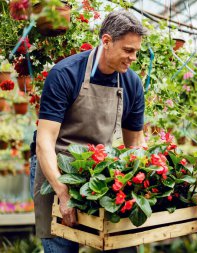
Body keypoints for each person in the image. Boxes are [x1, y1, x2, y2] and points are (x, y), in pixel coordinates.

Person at [33, 10, 147, 253]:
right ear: (106, 41)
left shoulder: (132, 83)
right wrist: (63, 193)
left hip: (99, 172)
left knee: (123, 245)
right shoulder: (65, 74)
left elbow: (134, 144)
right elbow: (45, 140)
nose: (133, 58)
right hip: (58, 167)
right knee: (61, 244)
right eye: (128, 50)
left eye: (136, 51)